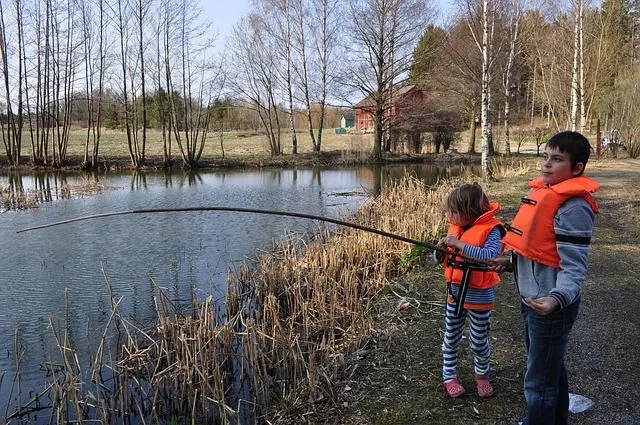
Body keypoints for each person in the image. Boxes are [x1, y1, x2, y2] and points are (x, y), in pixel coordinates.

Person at [490, 131, 599, 425]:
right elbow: (539, 249)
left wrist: (556, 298)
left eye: (557, 159)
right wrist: (511, 261)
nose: (546, 165)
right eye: (546, 157)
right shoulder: (543, 193)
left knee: (538, 382)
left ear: (577, 169)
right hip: (535, 300)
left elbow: (574, 267)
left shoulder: (573, 207)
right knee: (551, 369)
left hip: (551, 307)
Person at [434, 183, 505, 398]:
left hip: (480, 295)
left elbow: (490, 255)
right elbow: (441, 260)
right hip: (455, 293)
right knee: (451, 337)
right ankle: (449, 377)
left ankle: (482, 375)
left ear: (469, 211)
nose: (450, 216)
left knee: (478, 339)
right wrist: (440, 251)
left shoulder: (492, 230)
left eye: (454, 212)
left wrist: (461, 245)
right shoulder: (456, 228)